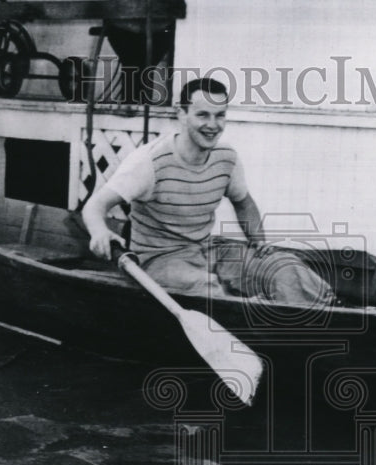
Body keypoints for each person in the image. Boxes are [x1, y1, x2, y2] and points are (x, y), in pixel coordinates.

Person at [82, 77, 335, 306]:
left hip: (206, 249)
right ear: (181, 114)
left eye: (220, 115)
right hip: (159, 259)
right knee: (207, 289)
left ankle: (331, 316)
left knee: (283, 268)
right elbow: (95, 205)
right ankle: (249, 318)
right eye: (203, 115)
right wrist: (99, 231)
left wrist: (259, 244)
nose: (213, 125)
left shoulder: (226, 158)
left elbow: (243, 202)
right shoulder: (148, 162)